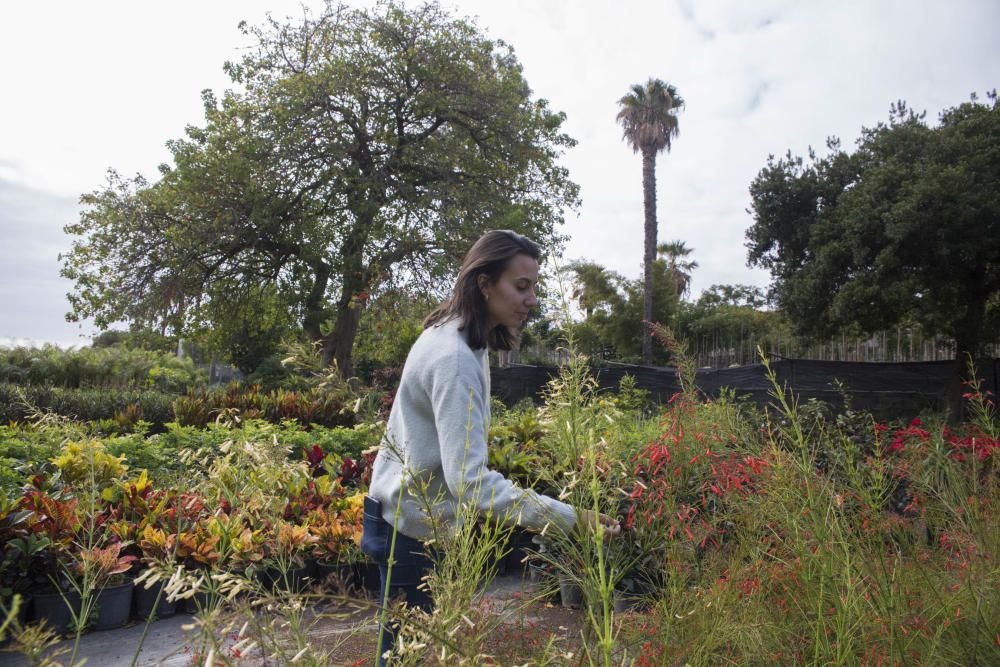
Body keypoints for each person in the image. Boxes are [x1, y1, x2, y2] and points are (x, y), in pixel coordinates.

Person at [361, 230, 620, 665]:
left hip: (399, 517)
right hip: (411, 534)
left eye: (533, 286)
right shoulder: (456, 359)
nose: (532, 299)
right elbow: (471, 483)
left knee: (404, 654)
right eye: (521, 286)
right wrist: (573, 519)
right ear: (484, 284)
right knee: (405, 658)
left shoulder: (451, 335)